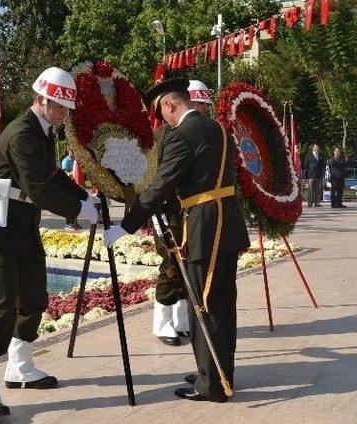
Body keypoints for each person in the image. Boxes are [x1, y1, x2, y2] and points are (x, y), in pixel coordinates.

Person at [104, 78, 249, 403]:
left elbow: (160, 187)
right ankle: (219, 373)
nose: (163, 122)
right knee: (223, 304)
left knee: (204, 305)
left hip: (205, 225)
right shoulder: (217, 129)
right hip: (226, 220)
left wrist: (125, 226)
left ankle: (211, 385)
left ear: (170, 105)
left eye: (162, 113)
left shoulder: (183, 136)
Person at [0, 67, 99, 418]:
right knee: (2, 305)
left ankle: (19, 367)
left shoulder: (45, 133)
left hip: (22, 226)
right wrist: (77, 209)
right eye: (60, 106)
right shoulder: (22, 133)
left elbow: (52, 175)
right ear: (41, 100)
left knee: (35, 298)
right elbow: (38, 189)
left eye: (66, 107)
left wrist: (84, 196)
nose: (65, 114)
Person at [151, 79, 213, 347]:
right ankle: (161, 322)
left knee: (187, 264)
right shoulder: (165, 135)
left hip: (188, 211)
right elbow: (156, 177)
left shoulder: (196, 131)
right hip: (167, 211)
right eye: (198, 104)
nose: (201, 110)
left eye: (204, 106)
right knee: (170, 266)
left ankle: (181, 320)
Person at [60, 149, 81, 230]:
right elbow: (65, 174)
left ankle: (75, 223)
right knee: (69, 205)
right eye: (73, 151)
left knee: (76, 205)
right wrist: (74, 172)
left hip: (75, 186)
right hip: (67, 186)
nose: (74, 152)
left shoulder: (76, 160)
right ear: (69, 151)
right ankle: (68, 224)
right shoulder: (65, 161)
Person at [303, 143, 325, 207]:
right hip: (311, 175)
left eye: (317, 147)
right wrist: (307, 174)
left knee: (318, 190)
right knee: (310, 190)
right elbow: (305, 164)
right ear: (312, 148)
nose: (316, 148)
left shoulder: (321, 155)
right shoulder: (309, 155)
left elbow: (323, 164)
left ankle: (317, 202)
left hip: (319, 175)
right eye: (315, 147)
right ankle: (310, 202)